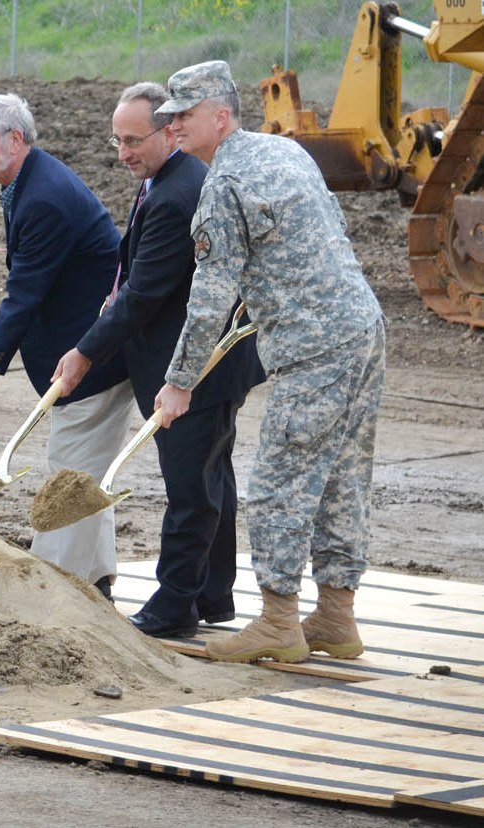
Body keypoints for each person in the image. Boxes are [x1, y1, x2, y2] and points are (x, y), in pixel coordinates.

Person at [153, 60, 386, 664]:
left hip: (314, 348)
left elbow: (209, 298)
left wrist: (179, 382)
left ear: (220, 115)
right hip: (361, 327)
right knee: (341, 477)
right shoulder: (284, 153)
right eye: (168, 117)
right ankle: (336, 616)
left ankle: (281, 622)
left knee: (281, 482)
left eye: (183, 115)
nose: (172, 126)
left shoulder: (225, 182)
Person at [53, 82, 264, 639]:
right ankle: (212, 596)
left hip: (195, 366)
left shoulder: (174, 196)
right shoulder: (168, 179)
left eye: (133, 140)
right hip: (210, 360)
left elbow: (143, 297)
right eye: (116, 140)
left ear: (170, 132)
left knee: (191, 487)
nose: (123, 152)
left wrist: (83, 352)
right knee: (212, 475)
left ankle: (174, 608)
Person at [0, 93, 135, 599]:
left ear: (15, 138)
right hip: (86, 346)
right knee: (83, 465)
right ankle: (94, 576)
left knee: (70, 468)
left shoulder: (44, 197)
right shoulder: (29, 183)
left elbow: (24, 293)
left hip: (90, 355)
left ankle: (56, 586)